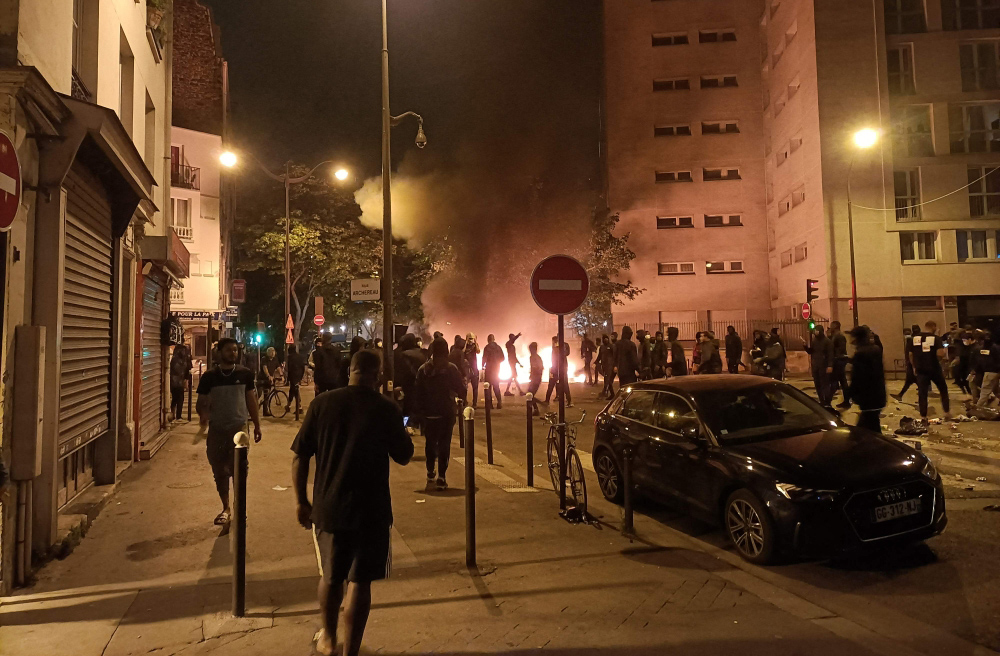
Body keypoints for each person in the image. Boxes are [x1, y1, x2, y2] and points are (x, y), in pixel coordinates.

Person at [291, 350, 413, 656]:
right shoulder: (386, 408)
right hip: (372, 509)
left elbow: (300, 455)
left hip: (330, 506)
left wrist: (301, 502)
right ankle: (351, 651)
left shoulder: (323, 403)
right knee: (360, 582)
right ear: (378, 374)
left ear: (351, 370)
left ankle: (329, 638)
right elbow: (404, 455)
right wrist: (399, 413)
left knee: (331, 576)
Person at [196, 338, 262, 526]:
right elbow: (201, 403)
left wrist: (257, 425)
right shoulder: (209, 377)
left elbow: (251, 400)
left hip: (239, 429)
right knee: (219, 470)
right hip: (217, 429)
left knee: (239, 470)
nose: (233, 353)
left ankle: (239, 507)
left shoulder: (245, 374)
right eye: (229, 350)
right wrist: (204, 414)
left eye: (235, 350)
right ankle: (226, 507)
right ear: (219, 353)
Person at [414, 338, 466, 490]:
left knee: (430, 443)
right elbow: (461, 389)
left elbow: (417, 392)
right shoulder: (451, 369)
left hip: (428, 413)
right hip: (446, 412)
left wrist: (419, 411)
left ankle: (431, 472)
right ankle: (442, 477)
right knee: (444, 444)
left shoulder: (423, 369)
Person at [910, 321, 951, 422]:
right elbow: (940, 353)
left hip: (920, 369)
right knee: (943, 389)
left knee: (922, 393)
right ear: (933, 327)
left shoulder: (914, 338)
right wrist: (944, 350)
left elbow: (910, 354)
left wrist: (914, 367)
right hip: (934, 368)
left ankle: (923, 416)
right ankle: (946, 412)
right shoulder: (936, 338)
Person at [849, 326, 886, 433]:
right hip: (878, 396)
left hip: (867, 398)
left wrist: (850, 393)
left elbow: (858, 377)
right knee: (872, 425)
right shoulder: (876, 350)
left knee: (866, 429)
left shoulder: (861, 354)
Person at [393, 334, 427, 427]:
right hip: (420, 384)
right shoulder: (421, 353)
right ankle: (418, 425)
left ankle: (405, 425)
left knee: (406, 407)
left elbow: (402, 372)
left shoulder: (402, 355)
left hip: (407, 385)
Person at [803, 325, 835, 407]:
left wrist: (830, 365)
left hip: (823, 366)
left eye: (817, 331)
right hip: (816, 366)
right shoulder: (815, 341)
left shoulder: (827, 342)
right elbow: (811, 351)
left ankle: (827, 401)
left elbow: (830, 354)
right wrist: (805, 346)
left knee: (825, 384)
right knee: (817, 384)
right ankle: (822, 400)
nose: (815, 332)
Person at [892, 325, 921, 402]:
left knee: (914, 381)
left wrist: (912, 364)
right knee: (910, 381)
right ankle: (900, 395)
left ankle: (922, 399)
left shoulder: (911, 340)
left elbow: (911, 354)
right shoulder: (916, 339)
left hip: (913, 364)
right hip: (914, 363)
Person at [828, 321, 851, 409]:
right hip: (838, 360)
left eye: (832, 325)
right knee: (842, 381)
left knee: (835, 381)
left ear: (836, 326)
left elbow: (840, 349)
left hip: (839, 361)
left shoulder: (839, 336)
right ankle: (846, 401)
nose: (830, 327)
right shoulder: (835, 336)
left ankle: (828, 401)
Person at [975, 332, 999, 408]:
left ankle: (978, 407)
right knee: (996, 390)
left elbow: (982, 361)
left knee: (985, 390)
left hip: (990, 371)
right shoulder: (995, 347)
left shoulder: (985, 348)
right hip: (993, 371)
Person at [169, 343, 192, 421]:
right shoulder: (176, 360)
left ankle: (177, 415)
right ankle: (173, 414)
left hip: (179, 381)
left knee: (179, 398)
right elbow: (177, 370)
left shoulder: (180, 359)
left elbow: (187, 369)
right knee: (176, 398)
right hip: (175, 381)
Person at [482, 334, 505, 409]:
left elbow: (484, 358)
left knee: (488, 387)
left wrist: (483, 365)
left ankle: (489, 404)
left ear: (488, 340)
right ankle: (499, 402)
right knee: (496, 386)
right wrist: (497, 362)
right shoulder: (498, 347)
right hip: (496, 369)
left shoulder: (487, 347)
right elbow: (503, 358)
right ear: (494, 339)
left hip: (489, 369)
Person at [285, 343, 306, 416]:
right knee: (293, 390)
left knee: (294, 391)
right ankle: (290, 405)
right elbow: (303, 367)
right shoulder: (300, 357)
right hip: (298, 375)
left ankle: (298, 407)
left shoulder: (289, 357)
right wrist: (301, 377)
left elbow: (289, 368)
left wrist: (287, 378)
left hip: (293, 376)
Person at [953, 332, 974, 397]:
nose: (964, 342)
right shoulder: (962, 347)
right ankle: (967, 393)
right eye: (963, 340)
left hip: (971, 367)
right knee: (961, 379)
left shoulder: (974, 347)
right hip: (963, 367)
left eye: (965, 340)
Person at [464, 333, 481, 408]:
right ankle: (465, 402)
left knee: (475, 387)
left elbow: (478, 351)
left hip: (474, 368)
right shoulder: (465, 346)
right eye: (469, 338)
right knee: (465, 387)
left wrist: (476, 341)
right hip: (466, 369)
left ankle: (475, 403)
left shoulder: (475, 346)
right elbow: (463, 351)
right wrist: (465, 342)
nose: (471, 340)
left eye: (472, 338)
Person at [527, 341, 544, 416]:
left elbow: (540, 368)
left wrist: (535, 373)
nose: (530, 351)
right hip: (535, 378)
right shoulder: (533, 357)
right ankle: (536, 408)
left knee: (530, 394)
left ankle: (538, 407)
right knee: (530, 394)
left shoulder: (536, 358)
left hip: (536, 379)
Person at [597, 334, 616, 399]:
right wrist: (596, 362)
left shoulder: (611, 346)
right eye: (604, 338)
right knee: (607, 379)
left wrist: (615, 365)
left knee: (608, 379)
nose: (605, 340)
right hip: (604, 365)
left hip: (610, 366)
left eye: (606, 338)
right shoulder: (602, 347)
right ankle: (608, 393)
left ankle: (607, 392)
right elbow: (599, 356)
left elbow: (614, 356)